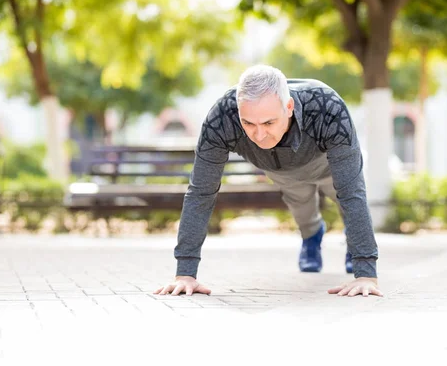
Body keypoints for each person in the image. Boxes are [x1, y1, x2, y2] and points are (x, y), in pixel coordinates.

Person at [154, 65, 382, 298]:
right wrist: (185, 274)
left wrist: (366, 274)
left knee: (343, 199)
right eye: (249, 124)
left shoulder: (327, 107)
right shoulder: (222, 116)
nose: (259, 135)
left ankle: (353, 250)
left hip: (327, 167)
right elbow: (201, 192)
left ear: (289, 107)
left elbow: (352, 191)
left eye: (269, 123)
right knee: (302, 206)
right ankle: (312, 238)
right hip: (280, 170)